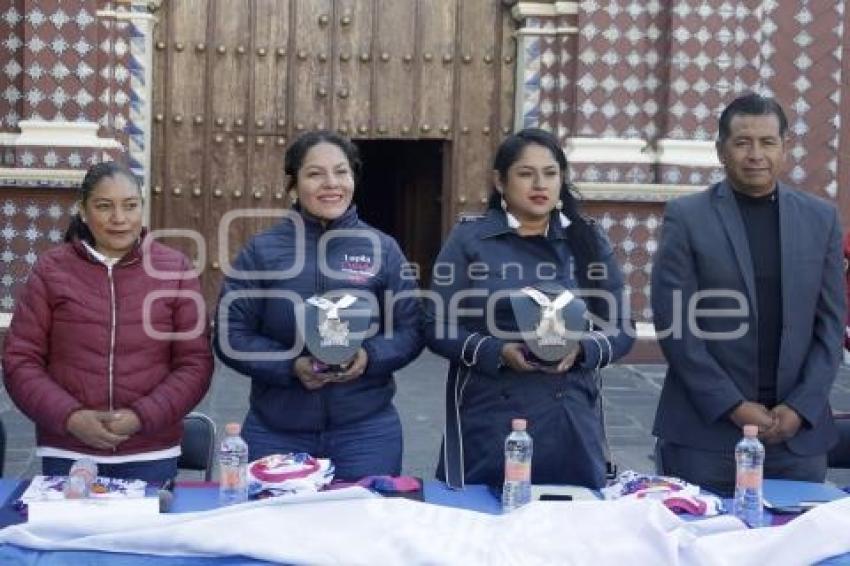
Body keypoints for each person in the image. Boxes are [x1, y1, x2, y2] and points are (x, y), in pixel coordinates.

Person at [652, 93, 845, 496]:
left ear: (784, 148)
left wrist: (801, 406)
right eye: (742, 142)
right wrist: (732, 407)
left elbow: (829, 327)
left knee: (794, 552)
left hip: (795, 438)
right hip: (707, 434)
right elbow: (676, 327)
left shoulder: (820, 219)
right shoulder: (687, 217)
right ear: (720, 150)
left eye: (767, 142)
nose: (755, 154)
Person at [425, 128, 634, 489]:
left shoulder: (587, 239)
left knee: (570, 527)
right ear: (500, 182)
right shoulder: (470, 239)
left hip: (570, 412)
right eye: (525, 173)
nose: (540, 183)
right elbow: (435, 324)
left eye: (550, 173)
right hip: (491, 413)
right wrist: (497, 351)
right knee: (487, 526)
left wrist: (582, 349)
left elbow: (621, 328)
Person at [214, 130, 423, 480]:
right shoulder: (262, 251)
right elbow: (230, 333)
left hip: (365, 430)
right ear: (293, 186)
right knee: (271, 531)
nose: (331, 184)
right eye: (315, 174)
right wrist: (290, 367)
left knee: (362, 528)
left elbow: (411, 328)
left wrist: (369, 357)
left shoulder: (382, 249)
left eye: (341, 172)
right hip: (276, 429)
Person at [2, 162, 213, 483]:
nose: (119, 218)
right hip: (69, 451)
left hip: (151, 451)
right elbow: (20, 359)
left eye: (130, 206)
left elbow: (194, 363)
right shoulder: (51, 270)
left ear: (142, 208)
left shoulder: (175, 268)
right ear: (83, 212)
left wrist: (141, 417)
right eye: (104, 206)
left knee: (143, 535)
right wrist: (70, 418)